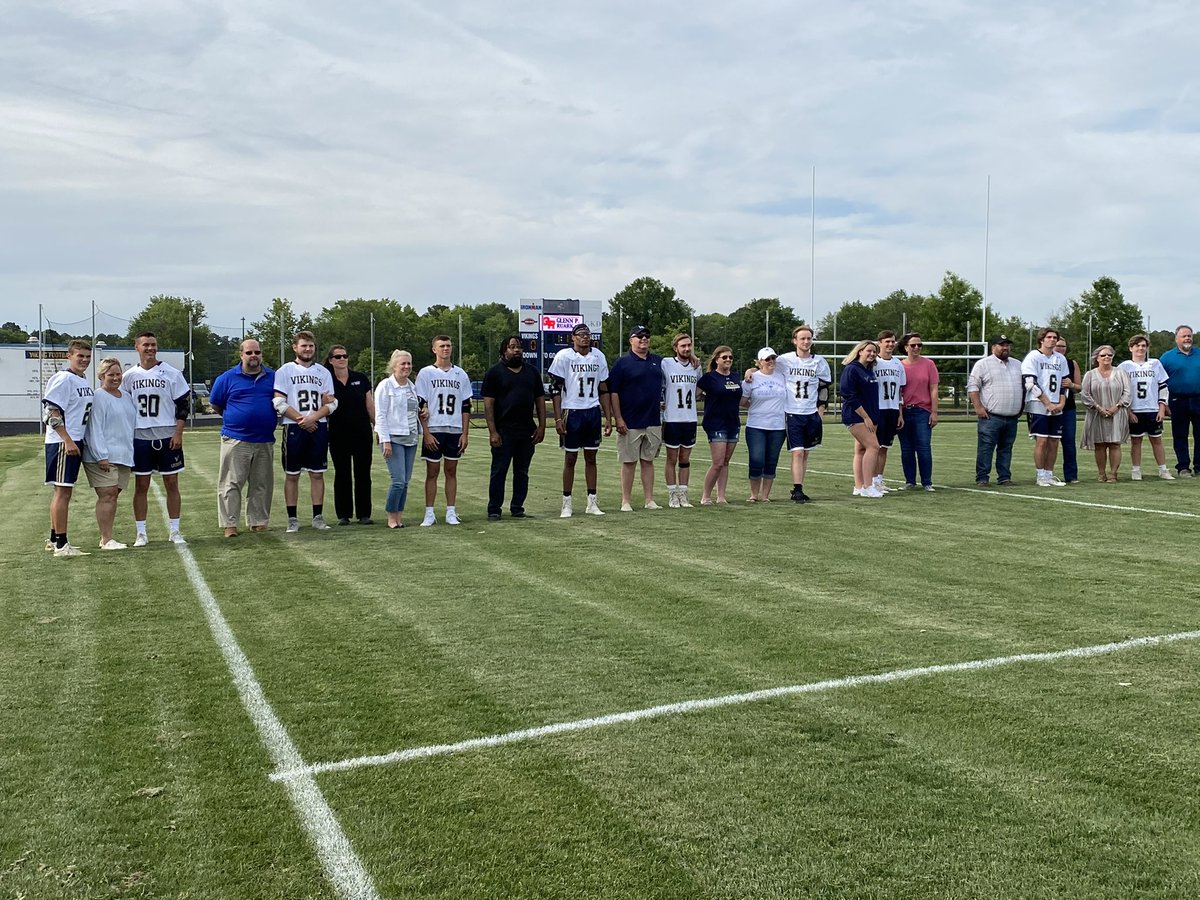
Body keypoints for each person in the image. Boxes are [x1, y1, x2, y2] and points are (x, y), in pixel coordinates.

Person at [122, 331, 191, 545]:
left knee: (172, 482)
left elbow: (183, 405)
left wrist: (178, 432)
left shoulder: (171, 373)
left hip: (167, 433)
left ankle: (175, 530)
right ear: (137, 348)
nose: (150, 348)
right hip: (140, 435)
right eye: (146, 345)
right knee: (141, 484)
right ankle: (141, 532)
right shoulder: (128, 376)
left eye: (153, 344)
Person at [210, 339, 277, 537]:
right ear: (241, 355)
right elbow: (216, 404)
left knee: (261, 483)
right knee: (231, 483)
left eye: (257, 352)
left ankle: (258, 521)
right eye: (249, 352)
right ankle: (230, 524)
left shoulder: (273, 377)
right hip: (236, 438)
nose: (253, 355)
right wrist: (238, 418)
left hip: (264, 439)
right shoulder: (227, 378)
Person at [273, 330, 337, 532]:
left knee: (317, 474)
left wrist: (313, 418)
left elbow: (332, 403)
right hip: (294, 427)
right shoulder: (285, 371)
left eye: (311, 346)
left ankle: (317, 517)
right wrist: (302, 419)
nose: (308, 349)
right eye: (304, 345)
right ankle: (292, 518)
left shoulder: (323, 372)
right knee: (292, 475)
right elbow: (278, 401)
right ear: (295, 347)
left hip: (318, 426)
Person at [548, 322, 613, 517]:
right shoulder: (564, 356)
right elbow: (555, 389)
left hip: (592, 411)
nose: (585, 337)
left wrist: (608, 418)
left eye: (587, 334)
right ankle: (566, 503)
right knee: (570, 458)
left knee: (591, 458)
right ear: (573, 338)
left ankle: (592, 502)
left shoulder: (598, 356)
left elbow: (603, 389)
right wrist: (558, 418)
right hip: (572, 411)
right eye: (580, 334)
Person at [482, 335, 547, 520]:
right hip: (504, 430)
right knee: (499, 471)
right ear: (504, 351)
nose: (516, 350)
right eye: (512, 347)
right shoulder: (494, 373)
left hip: (526, 430)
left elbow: (540, 401)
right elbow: (488, 405)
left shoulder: (532, 372)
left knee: (522, 471)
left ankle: (517, 507)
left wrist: (542, 426)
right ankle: (494, 508)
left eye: (519, 347)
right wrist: (492, 431)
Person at [42, 340, 94, 557]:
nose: (84, 360)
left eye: (87, 357)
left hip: (74, 440)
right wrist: (67, 440)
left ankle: (55, 539)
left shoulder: (80, 380)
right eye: (79, 356)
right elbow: (52, 413)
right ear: (69, 356)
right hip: (64, 442)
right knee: (63, 492)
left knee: (63, 491)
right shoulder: (64, 379)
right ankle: (62, 544)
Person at [415, 335, 473, 526]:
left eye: (448, 345)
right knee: (432, 472)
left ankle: (451, 511)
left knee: (451, 470)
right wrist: (426, 433)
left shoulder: (460, 374)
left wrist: (465, 433)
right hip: (434, 428)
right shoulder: (425, 373)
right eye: (442, 346)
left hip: (454, 428)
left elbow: (465, 406)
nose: (445, 349)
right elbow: (420, 405)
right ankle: (429, 512)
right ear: (434, 349)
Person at [609, 325, 665, 511]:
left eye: (647, 336)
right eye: (639, 336)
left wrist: (694, 358)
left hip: (652, 420)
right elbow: (613, 392)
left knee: (648, 461)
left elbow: (681, 361)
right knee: (629, 462)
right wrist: (618, 418)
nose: (644, 339)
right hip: (630, 420)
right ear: (631, 340)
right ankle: (626, 501)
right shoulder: (622, 363)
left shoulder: (658, 361)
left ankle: (649, 499)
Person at [83, 357, 136, 549]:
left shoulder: (126, 396)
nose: (115, 378)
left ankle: (106, 536)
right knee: (108, 494)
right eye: (110, 374)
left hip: (122, 454)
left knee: (113, 494)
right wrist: (101, 455)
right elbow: (94, 427)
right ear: (101, 376)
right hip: (103, 456)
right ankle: (106, 539)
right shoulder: (98, 397)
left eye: (118, 374)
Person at [773, 325, 831, 503]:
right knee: (797, 452)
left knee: (805, 453)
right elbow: (765, 367)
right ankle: (796, 489)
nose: (806, 342)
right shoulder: (785, 360)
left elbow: (823, 388)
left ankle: (800, 486)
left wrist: (820, 411)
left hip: (811, 413)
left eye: (809, 338)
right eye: (802, 338)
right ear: (795, 341)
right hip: (793, 412)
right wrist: (750, 372)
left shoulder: (819, 361)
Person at [324, 345, 375, 525]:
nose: (342, 359)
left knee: (363, 473)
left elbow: (369, 405)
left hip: (362, 432)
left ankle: (364, 514)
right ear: (331, 360)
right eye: (337, 357)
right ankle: (344, 514)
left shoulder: (360, 378)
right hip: (338, 434)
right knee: (342, 473)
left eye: (345, 356)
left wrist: (378, 427)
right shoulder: (327, 380)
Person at [967, 335, 1024, 486]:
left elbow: (1023, 387)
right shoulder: (983, 364)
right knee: (986, 448)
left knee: (1006, 448)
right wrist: (978, 407)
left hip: (1012, 416)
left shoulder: (1018, 364)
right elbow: (973, 387)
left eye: (1007, 345)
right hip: (991, 416)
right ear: (993, 347)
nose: (1005, 348)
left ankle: (1004, 477)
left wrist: (1021, 407)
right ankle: (982, 478)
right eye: (1001, 345)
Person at [375, 350, 422, 529]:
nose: (406, 367)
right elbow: (380, 415)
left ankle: (399, 516)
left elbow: (412, 411)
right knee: (398, 480)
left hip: (411, 438)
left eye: (409, 364)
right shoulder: (385, 386)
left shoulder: (412, 387)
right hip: (393, 438)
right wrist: (385, 440)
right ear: (394, 366)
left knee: (406, 481)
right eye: (403, 364)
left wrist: (422, 413)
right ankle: (391, 517)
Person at [1118, 333, 1174, 480]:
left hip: (1152, 409)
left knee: (1157, 440)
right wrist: (1128, 411)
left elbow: (1163, 386)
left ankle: (1163, 469)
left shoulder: (1155, 363)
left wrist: (1162, 407)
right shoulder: (1124, 366)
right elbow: (1120, 390)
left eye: (1143, 345)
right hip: (1135, 409)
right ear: (1131, 348)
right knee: (1136, 441)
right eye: (1137, 345)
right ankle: (1136, 470)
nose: (1141, 348)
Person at [1021, 327, 1070, 487]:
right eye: (1049, 337)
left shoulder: (1060, 359)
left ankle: (1049, 474)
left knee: (1054, 441)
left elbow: (1064, 383)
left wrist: (1062, 402)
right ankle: (1040, 475)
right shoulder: (1033, 357)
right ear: (1041, 339)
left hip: (1057, 404)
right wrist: (1047, 403)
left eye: (1055, 337)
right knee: (1041, 440)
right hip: (1038, 404)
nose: (1052, 340)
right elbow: (1030, 383)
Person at [696, 346, 743, 505]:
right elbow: (696, 394)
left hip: (733, 423)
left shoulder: (735, 377)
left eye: (730, 357)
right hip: (716, 423)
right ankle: (706, 496)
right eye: (724, 357)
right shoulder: (709, 378)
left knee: (725, 462)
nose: (728, 360)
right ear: (716, 359)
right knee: (717, 463)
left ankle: (721, 496)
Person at [740, 347, 787, 502]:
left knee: (771, 460)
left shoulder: (782, 376)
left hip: (778, 426)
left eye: (773, 358)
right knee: (756, 459)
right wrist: (756, 406)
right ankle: (754, 494)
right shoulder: (752, 378)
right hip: (756, 425)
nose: (771, 362)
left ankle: (765, 495)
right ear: (760, 361)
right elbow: (742, 401)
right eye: (767, 359)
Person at [661, 333, 702, 508]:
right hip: (672, 418)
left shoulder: (696, 367)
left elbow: (700, 388)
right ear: (675, 348)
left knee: (685, 458)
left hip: (690, 418)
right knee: (671, 458)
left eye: (689, 345)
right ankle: (672, 494)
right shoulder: (666, 363)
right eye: (683, 346)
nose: (686, 349)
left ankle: (683, 494)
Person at [1080, 345, 1131, 482]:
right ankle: (1101, 473)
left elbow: (1127, 392)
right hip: (1097, 414)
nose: (1107, 357)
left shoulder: (1121, 373)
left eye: (1109, 355)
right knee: (1100, 444)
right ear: (1097, 358)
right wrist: (1098, 408)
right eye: (1103, 355)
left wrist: (1117, 406)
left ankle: (1113, 474)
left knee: (1115, 443)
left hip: (1117, 413)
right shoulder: (1090, 375)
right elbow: (1085, 394)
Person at [840, 340, 884, 498]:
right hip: (856, 416)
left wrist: (873, 416)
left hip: (871, 416)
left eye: (874, 352)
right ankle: (868, 486)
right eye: (869, 351)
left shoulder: (869, 370)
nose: (872, 354)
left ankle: (858, 486)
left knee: (861, 450)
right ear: (860, 351)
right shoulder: (852, 369)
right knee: (874, 447)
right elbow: (848, 395)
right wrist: (865, 417)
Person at [897, 332, 939, 491]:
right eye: (913, 345)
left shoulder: (929, 364)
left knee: (924, 447)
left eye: (919, 345)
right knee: (906, 448)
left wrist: (934, 412)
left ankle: (927, 482)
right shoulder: (899, 365)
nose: (916, 348)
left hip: (922, 410)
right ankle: (910, 481)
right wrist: (899, 413)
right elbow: (898, 392)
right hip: (905, 411)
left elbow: (934, 389)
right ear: (905, 347)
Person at [1160, 325, 1200, 477]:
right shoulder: (1167, 357)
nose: (1187, 338)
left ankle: (1199, 466)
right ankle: (1183, 467)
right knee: (1180, 435)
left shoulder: (1198, 354)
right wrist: (1163, 403)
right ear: (1176, 339)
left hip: (1198, 398)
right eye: (1184, 336)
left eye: (1189, 335)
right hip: (1177, 400)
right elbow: (1160, 381)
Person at [871, 331, 905, 493]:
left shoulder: (898, 364)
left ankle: (879, 479)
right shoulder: (874, 362)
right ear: (879, 343)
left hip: (891, 409)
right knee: (874, 446)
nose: (890, 344)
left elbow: (899, 391)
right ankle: (870, 481)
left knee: (884, 447)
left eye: (892, 342)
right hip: (878, 409)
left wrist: (900, 413)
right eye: (887, 341)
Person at [1054, 336, 1083, 483]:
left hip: (1068, 408)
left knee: (1069, 441)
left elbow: (1079, 387)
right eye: (1058, 346)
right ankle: (1045, 473)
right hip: (1050, 407)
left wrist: (1071, 385)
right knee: (1048, 442)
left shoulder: (1071, 363)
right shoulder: (1044, 362)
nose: (1060, 349)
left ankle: (1071, 475)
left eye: (1063, 346)